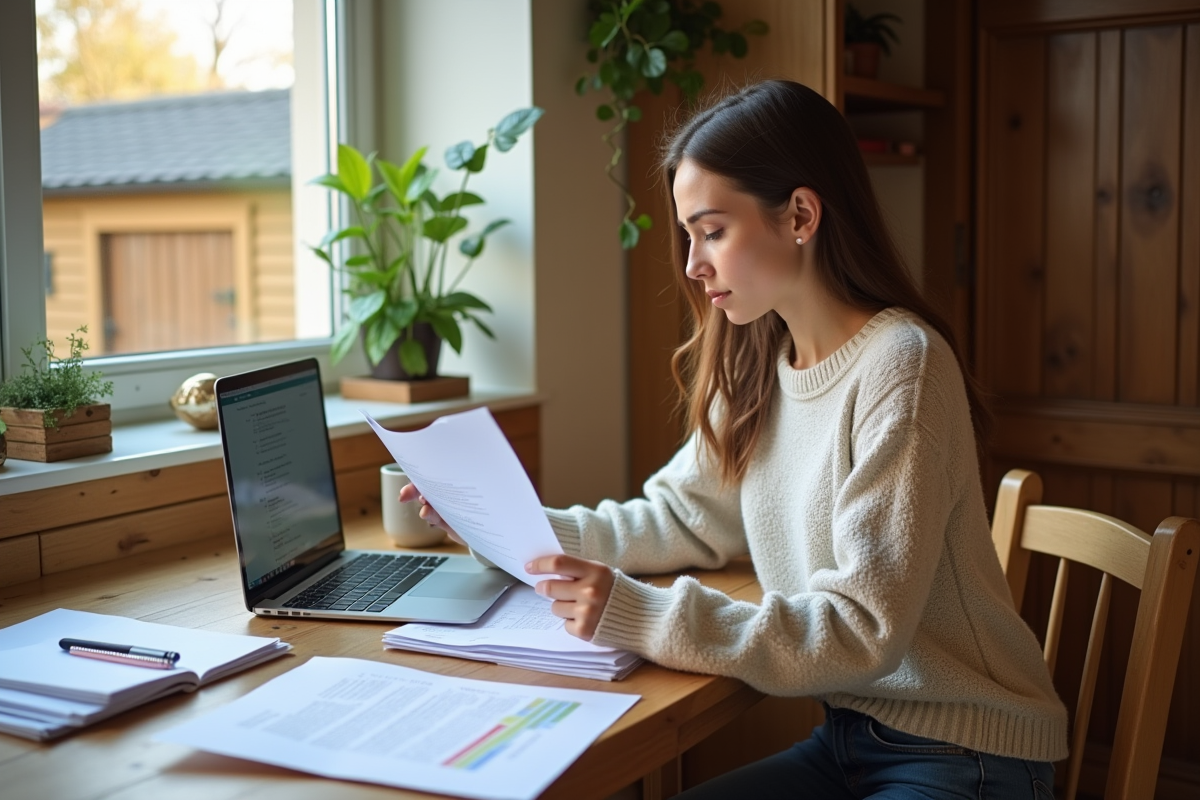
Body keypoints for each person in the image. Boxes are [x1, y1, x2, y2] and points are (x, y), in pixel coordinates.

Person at [401, 79, 1066, 799]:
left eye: (713, 231)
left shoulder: (903, 364)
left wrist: (642, 612)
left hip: (965, 750)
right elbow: (679, 518)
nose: (693, 264)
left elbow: (863, 629)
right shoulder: (760, 360)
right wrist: (505, 527)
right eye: (689, 235)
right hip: (846, 739)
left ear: (801, 215)